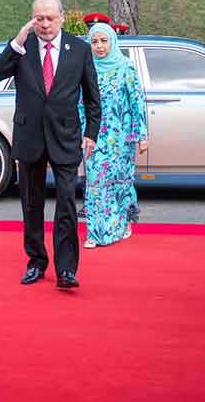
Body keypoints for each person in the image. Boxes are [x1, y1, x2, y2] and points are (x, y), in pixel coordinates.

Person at [0, 0, 101, 290]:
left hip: (66, 137)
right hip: (29, 137)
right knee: (31, 204)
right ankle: (36, 262)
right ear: (31, 20)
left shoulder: (79, 49)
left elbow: (92, 98)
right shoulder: (21, 49)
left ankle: (66, 270)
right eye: (39, 18)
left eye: (50, 18)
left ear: (62, 18)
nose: (45, 24)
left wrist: (91, 133)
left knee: (65, 202)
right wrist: (16, 42)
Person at [79, 22, 146, 248]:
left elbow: (137, 103)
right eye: (94, 42)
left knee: (121, 183)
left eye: (103, 41)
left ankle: (124, 223)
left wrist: (141, 135)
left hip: (121, 138)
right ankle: (96, 233)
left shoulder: (126, 67)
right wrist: (81, 131)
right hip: (94, 136)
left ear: (112, 42)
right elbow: (81, 104)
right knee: (96, 183)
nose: (99, 46)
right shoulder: (86, 68)